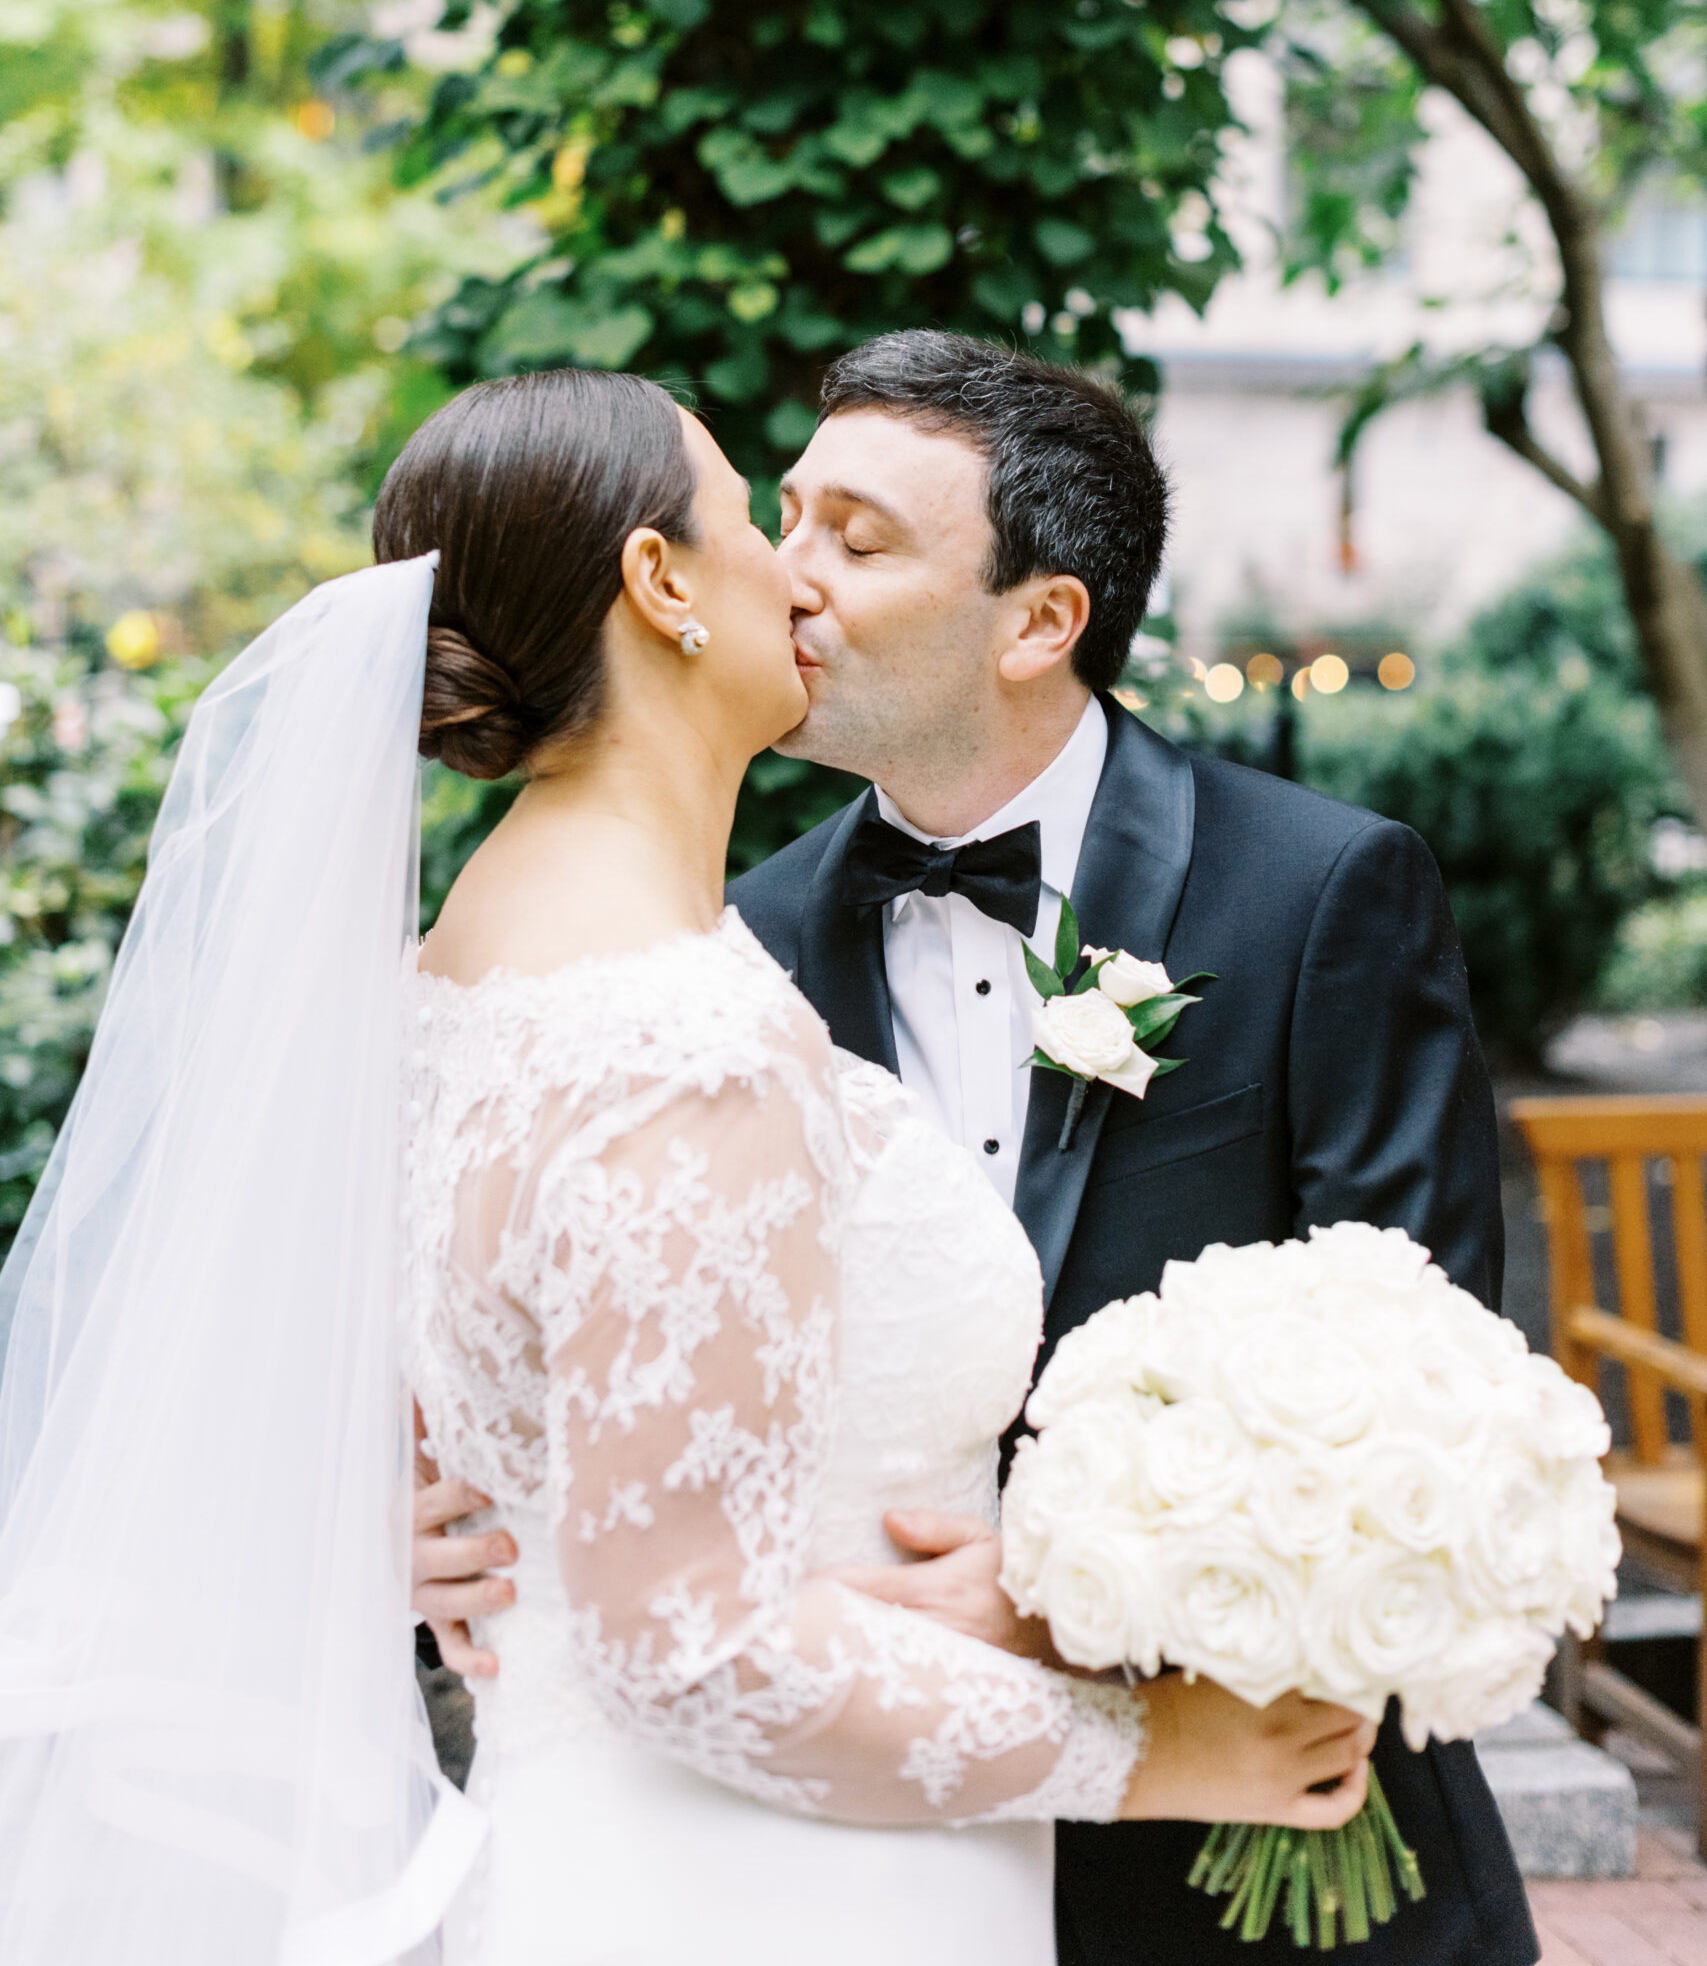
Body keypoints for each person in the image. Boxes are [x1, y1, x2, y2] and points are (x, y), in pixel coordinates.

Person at [0, 364, 1372, 1966]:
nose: (797, 574)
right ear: (659, 584)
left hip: (649, 1854)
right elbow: (694, 1648)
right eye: (752, 519)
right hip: (781, 1889)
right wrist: (1151, 1752)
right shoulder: (681, 1049)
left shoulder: (455, 993)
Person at [418, 335, 1538, 1966]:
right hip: (816, 1846)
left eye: (857, 543)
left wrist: (1098, 1591)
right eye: (782, 519)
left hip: (1258, 1840)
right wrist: (429, 1500)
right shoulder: (719, 957)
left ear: (1039, 621)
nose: (793, 579)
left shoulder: (1318, 895)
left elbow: (1436, 1379)